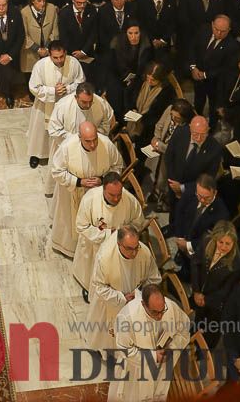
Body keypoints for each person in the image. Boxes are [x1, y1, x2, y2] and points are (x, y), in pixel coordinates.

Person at [50, 122, 123, 255]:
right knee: (71, 222)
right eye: (88, 141)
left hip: (99, 193)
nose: (93, 145)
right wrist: (78, 181)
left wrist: (102, 179)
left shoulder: (106, 145)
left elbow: (117, 166)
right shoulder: (67, 147)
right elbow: (56, 171)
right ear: (79, 137)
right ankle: (70, 249)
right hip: (73, 193)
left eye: (95, 139)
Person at [109, 282, 191, 401]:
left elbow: (184, 330)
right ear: (143, 304)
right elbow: (125, 350)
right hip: (136, 369)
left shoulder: (170, 307)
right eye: (155, 312)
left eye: (162, 310)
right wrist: (153, 356)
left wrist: (171, 349)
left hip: (162, 366)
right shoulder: (127, 318)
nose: (160, 316)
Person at [87, 225, 161, 351]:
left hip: (136, 300)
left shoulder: (144, 252)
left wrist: (139, 293)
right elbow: (99, 286)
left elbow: (154, 278)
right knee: (107, 337)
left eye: (136, 247)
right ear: (119, 244)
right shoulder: (105, 258)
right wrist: (122, 298)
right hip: (112, 303)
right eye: (129, 249)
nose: (134, 253)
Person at [73, 173, 145, 302]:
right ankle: (88, 287)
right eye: (112, 195)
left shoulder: (129, 200)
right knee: (91, 272)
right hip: (94, 246)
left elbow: (138, 222)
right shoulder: (90, 199)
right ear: (103, 189)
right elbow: (81, 226)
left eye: (119, 195)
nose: (116, 199)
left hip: (119, 248)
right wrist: (108, 235)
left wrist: (125, 234)